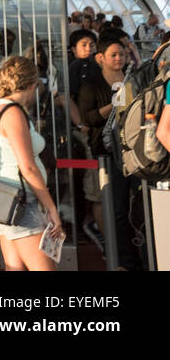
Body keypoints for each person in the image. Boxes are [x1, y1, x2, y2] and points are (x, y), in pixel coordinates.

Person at [0, 55, 63, 270]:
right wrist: (51, 207)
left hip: (6, 199)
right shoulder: (13, 112)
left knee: (14, 267)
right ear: (32, 85)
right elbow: (28, 167)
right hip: (22, 201)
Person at [78, 35, 140, 269]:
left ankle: (135, 255)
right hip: (105, 153)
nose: (119, 59)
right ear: (100, 58)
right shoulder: (91, 85)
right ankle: (120, 258)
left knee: (133, 206)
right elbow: (88, 118)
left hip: (132, 152)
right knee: (116, 208)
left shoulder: (133, 80)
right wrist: (114, 103)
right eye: (114, 54)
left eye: (122, 54)